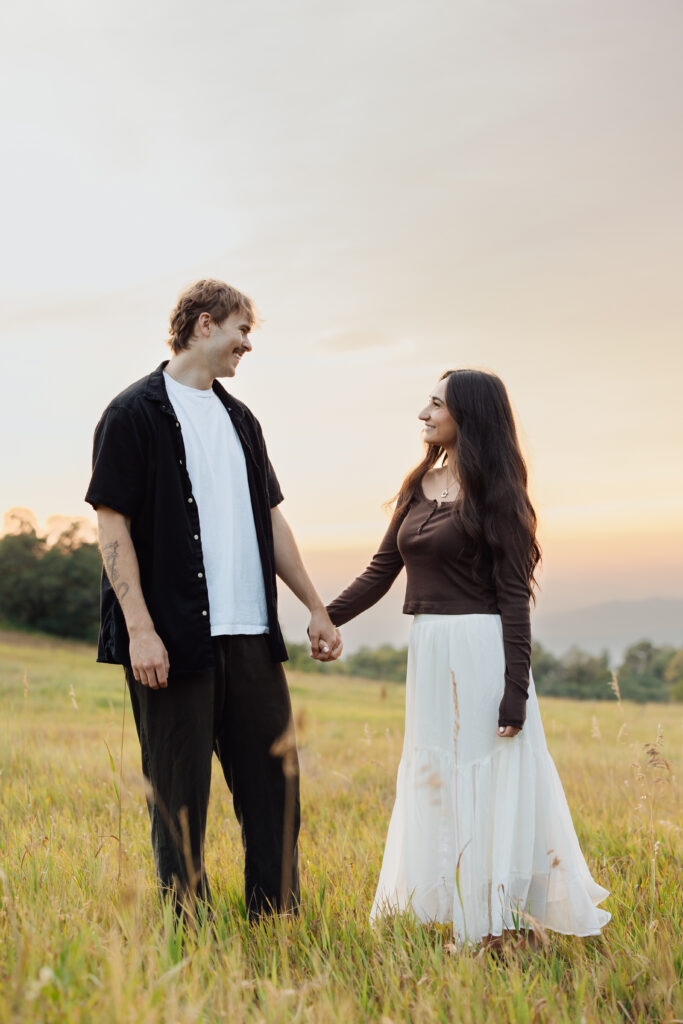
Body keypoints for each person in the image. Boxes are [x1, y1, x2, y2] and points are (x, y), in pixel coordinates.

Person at [326, 369, 610, 946]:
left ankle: (489, 924)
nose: (424, 413)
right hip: (430, 649)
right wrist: (323, 617)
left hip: (482, 650)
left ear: (469, 416)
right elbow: (382, 571)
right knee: (436, 776)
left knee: (484, 777)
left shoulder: (499, 493)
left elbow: (513, 598)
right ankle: (445, 913)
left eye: (436, 403)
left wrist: (515, 687)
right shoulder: (417, 484)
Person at [85, 279, 342, 917]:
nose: (246, 346)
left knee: (275, 793)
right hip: (172, 640)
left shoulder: (240, 419)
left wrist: (314, 604)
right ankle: (188, 929)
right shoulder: (131, 413)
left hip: (253, 636)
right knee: (179, 798)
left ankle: (276, 920)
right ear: (204, 325)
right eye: (241, 331)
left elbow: (272, 522)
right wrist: (140, 629)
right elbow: (110, 524)